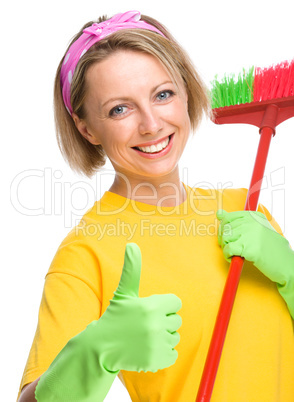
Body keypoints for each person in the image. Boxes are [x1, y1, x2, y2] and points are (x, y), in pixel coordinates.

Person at [17, 10, 294, 402]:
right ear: (86, 128)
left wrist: (291, 275)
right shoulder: (86, 253)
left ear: (184, 91)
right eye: (119, 109)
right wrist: (96, 355)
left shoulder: (247, 211)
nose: (150, 124)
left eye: (162, 94)